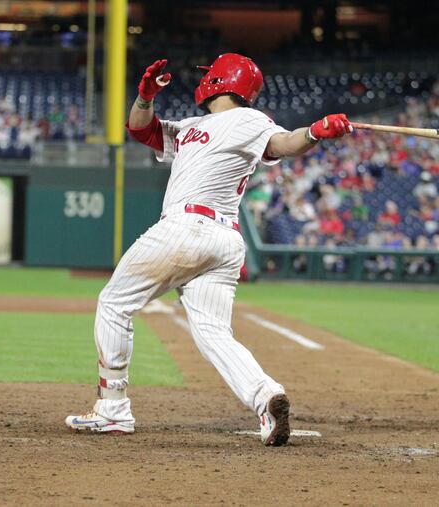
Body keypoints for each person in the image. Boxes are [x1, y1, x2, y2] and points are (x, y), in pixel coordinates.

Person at [64, 54, 353, 446]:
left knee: (114, 303)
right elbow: (140, 130)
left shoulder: (250, 120)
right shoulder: (192, 126)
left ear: (219, 80)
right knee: (214, 332)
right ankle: (266, 396)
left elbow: (284, 143)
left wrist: (316, 132)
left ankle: (112, 409)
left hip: (187, 228)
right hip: (222, 241)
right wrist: (145, 96)